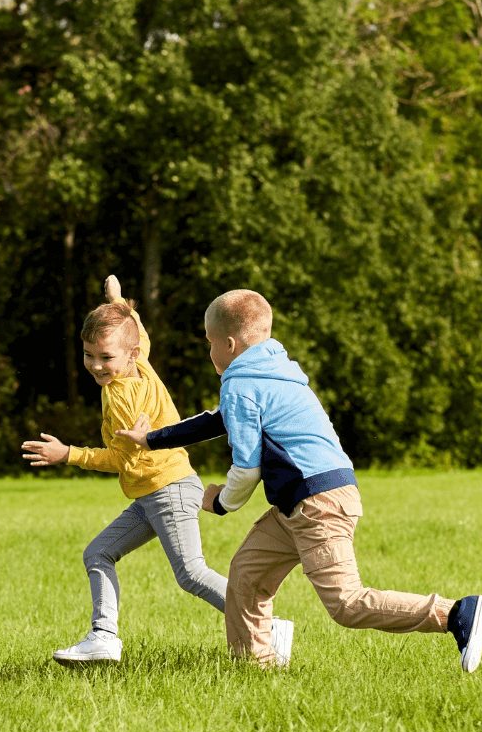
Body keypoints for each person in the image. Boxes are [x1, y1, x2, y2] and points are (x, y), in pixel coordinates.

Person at [116, 288, 482, 671]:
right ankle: (255, 668)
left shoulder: (242, 384)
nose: (210, 352)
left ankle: (455, 613)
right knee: (247, 576)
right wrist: (152, 439)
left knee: (345, 603)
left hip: (317, 502)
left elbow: (247, 466)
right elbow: (218, 419)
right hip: (303, 501)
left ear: (228, 344)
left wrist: (221, 502)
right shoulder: (273, 371)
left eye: (210, 343)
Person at [22, 277, 293, 666]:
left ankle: (268, 627)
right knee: (99, 552)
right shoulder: (140, 363)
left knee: (191, 573)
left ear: (128, 355)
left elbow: (121, 459)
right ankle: (104, 636)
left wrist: (69, 454)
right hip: (153, 492)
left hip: (168, 488)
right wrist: (118, 303)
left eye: (105, 357)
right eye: (89, 355)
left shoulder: (122, 398)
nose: (97, 365)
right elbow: (140, 333)